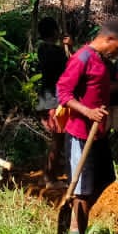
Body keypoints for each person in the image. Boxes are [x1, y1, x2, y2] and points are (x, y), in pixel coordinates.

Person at [55, 17, 118, 234]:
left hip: (98, 134)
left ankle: (77, 222)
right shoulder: (82, 58)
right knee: (82, 191)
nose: (117, 54)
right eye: (117, 48)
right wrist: (88, 112)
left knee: (106, 179)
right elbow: (63, 93)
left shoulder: (99, 59)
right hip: (81, 134)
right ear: (108, 39)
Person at [35, 17, 71, 175]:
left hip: (46, 99)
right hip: (53, 100)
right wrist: (69, 47)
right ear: (54, 31)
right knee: (57, 140)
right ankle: (49, 178)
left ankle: (52, 173)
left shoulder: (42, 49)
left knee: (57, 140)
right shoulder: (54, 52)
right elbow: (70, 68)